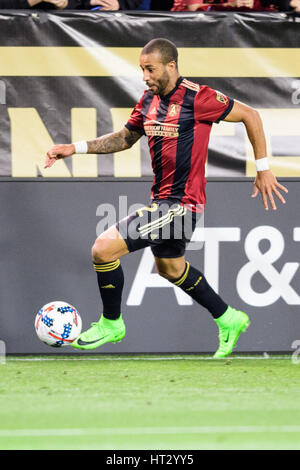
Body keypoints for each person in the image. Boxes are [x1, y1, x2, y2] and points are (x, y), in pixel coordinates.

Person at [45, 38, 288, 358]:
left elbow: (251, 115)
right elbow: (123, 139)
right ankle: (229, 318)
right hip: (163, 203)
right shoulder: (147, 101)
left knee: (103, 249)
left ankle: (111, 323)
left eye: (150, 69)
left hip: (181, 205)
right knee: (171, 269)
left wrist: (263, 168)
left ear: (171, 66)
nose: (144, 76)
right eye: (141, 69)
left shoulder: (197, 98)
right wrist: (72, 148)